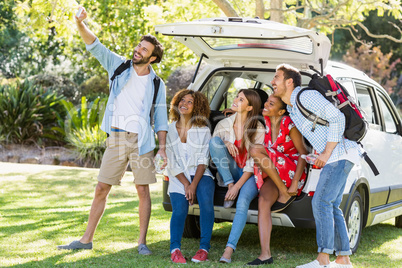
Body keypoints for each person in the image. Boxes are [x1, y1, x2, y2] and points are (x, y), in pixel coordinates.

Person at [57, 7, 168, 255]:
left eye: (144, 50)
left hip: (141, 141)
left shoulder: (157, 83)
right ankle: (86, 239)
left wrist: (162, 148)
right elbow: (95, 45)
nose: (138, 50)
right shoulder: (118, 65)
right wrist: (79, 23)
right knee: (101, 188)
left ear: (152, 59)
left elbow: (161, 119)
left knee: (142, 190)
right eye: (139, 46)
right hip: (116, 137)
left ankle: (141, 243)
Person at [272, 64, 362, 268]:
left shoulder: (305, 96)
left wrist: (327, 153)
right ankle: (343, 259)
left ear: (289, 81)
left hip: (340, 154)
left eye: (276, 77)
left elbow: (337, 118)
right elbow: (320, 129)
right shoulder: (292, 108)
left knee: (320, 203)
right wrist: (317, 155)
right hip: (338, 155)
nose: (272, 82)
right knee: (331, 205)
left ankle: (323, 259)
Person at [246, 94, 308, 265]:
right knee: (263, 202)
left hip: (293, 171)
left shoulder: (289, 124)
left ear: (281, 111)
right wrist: (229, 112)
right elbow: (247, 110)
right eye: (267, 101)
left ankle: (284, 192)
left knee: (256, 150)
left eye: (271, 103)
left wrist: (295, 182)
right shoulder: (265, 121)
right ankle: (265, 254)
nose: (266, 104)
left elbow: (303, 153)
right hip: (275, 171)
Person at [209, 89, 265, 263]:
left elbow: (253, 163)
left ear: (249, 107)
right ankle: (228, 185)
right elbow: (214, 152)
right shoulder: (224, 124)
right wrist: (226, 142)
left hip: (250, 174)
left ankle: (228, 250)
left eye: (241, 99)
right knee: (215, 141)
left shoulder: (259, 128)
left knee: (242, 202)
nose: (235, 100)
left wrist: (238, 187)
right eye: (237, 96)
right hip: (231, 173)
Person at [166, 89, 215, 264]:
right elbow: (170, 160)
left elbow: (204, 159)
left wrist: (193, 185)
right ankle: (175, 250)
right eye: (182, 100)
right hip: (178, 176)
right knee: (179, 210)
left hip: (201, 174)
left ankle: (203, 249)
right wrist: (186, 184)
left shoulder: (203, 130)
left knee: (207, 207)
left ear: (197, 107)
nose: (184, 104)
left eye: (189, 102)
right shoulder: (169, 129)